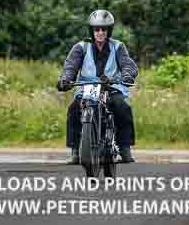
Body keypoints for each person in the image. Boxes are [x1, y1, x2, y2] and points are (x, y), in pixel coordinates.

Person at [57, 9, 138, 164]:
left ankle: (125, 148)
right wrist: (65, 80)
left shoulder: (118, 46)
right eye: (96, 29)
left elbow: (128, 65)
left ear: (109, 31)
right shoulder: (80, 47)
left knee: (122, 107)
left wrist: (127, 75)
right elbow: (70, 67)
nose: (100, 32)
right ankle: (75, 151)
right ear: (91, 30)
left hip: (111, 86)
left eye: (104, 29)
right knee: (74, 108)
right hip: (86, 88)